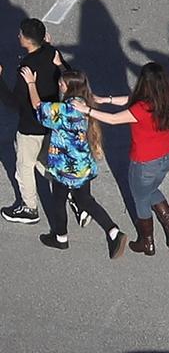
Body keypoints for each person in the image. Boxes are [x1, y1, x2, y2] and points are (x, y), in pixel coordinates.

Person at [74, 62, 169, 255]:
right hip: (166, 155)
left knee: (140, 198)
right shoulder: (163, 96)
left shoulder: (142, 108)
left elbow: (114, 119)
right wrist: (105, 99)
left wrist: (87, 110)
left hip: (145, 161)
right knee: (150, 190)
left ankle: (146, 241)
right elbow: (131, 99)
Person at [20, 67, 126, 258]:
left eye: (62, 82)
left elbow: (38, 106)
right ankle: (113, 232)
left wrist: (31, 83)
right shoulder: (83, 102)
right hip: (84, 164)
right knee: (85, 200)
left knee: (58, 201)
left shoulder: (65, 110)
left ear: (68, 86)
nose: (59, 84)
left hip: (65, 168)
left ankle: (60, 237)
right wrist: (60, 63)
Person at [0, 19, 68, 225]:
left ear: (28, 40)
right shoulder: (52, 53)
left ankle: (29, 208)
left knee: (24, 166)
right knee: (43, 162)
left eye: (20, 34)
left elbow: (15, 102)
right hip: (52, 122)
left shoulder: (27, 68)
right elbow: (68, 75)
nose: (18, 36)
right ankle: (72, 191)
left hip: (31, 126)